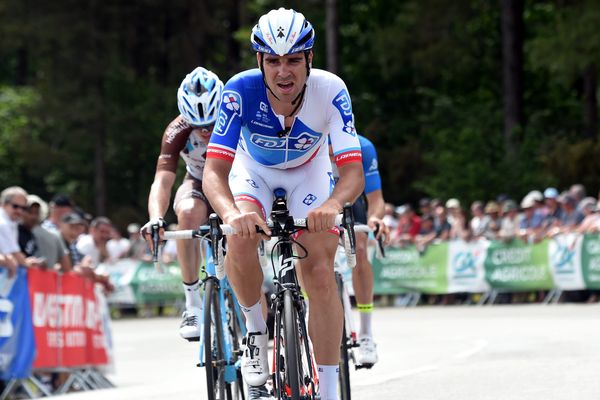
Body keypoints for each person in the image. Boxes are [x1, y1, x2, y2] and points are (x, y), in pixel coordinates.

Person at [202, 8, 364, 400]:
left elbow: (353, 175)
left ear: (310, 58)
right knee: (240, 237)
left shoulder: (330, 90)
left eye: (293, 59)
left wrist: (333, 205)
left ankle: (327, 390)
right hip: (253, 171)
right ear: (260, 62)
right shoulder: (239, 91)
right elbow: (213, 173)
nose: (283, 72)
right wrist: (231, 213)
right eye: (272, 61)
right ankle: (256, 330)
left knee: (321, 269)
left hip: (309, 173)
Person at [142, 66, 224, 341]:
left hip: (233, 183)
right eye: (199, 126)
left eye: (212, 125)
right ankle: (192, 305)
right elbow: (162, 181)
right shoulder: (176, 130)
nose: (205, 132)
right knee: (187, 214)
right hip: (198, 181)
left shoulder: (238, 119)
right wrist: (156, 217)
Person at [330, 134, 389, 365]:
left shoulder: (362, 147)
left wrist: (374, 218)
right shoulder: (308, 140)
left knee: (360, 249)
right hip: (314, 197)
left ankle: (365, 333)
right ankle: (306, 310)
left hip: (350, 202)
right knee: (300, 249)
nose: (333, 152)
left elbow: (375, 197)